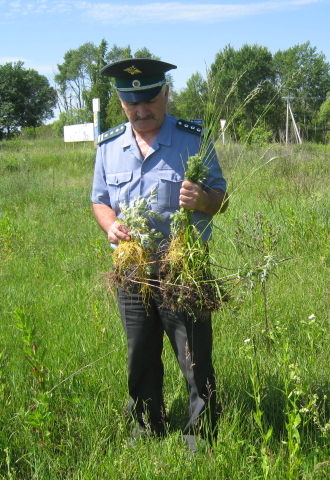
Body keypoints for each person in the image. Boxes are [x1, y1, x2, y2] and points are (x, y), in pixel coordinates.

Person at [90, 58, 228, 452]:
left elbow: (223, 199)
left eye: (149, 99)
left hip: (181, 271)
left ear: (166, 94)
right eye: (131, 102)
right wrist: (109, 224)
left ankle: (201, 434)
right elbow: (100, 202)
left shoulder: (193, 139)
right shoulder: (108, 146)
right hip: (131, 271)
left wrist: (203, 199)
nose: (141, 109)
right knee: (140, 356)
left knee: (194, 358)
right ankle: (145, 428)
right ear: (120, 103)